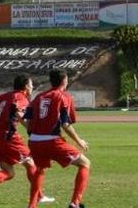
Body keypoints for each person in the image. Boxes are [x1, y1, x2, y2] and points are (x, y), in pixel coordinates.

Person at [24, 69, 91, 208]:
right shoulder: (63, 96)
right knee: (85, 163)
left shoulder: (39, 96)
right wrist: (80, 141)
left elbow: (28, 121)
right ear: (64, 80)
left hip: (34, 141)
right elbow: (66, 124)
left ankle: (31, 206)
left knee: (40, 169)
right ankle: (75, 203)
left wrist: (35, 136)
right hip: (51, 140)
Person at [0, 75, 56, 205]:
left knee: (9, 173)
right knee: (30, 162)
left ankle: (39, 196)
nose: (33, 87)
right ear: (26, 86)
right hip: (8, 137)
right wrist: (33, 129)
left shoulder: (2, 97)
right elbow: (18, 112)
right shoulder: (20, 97)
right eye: (31, 84)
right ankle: (39, 196)